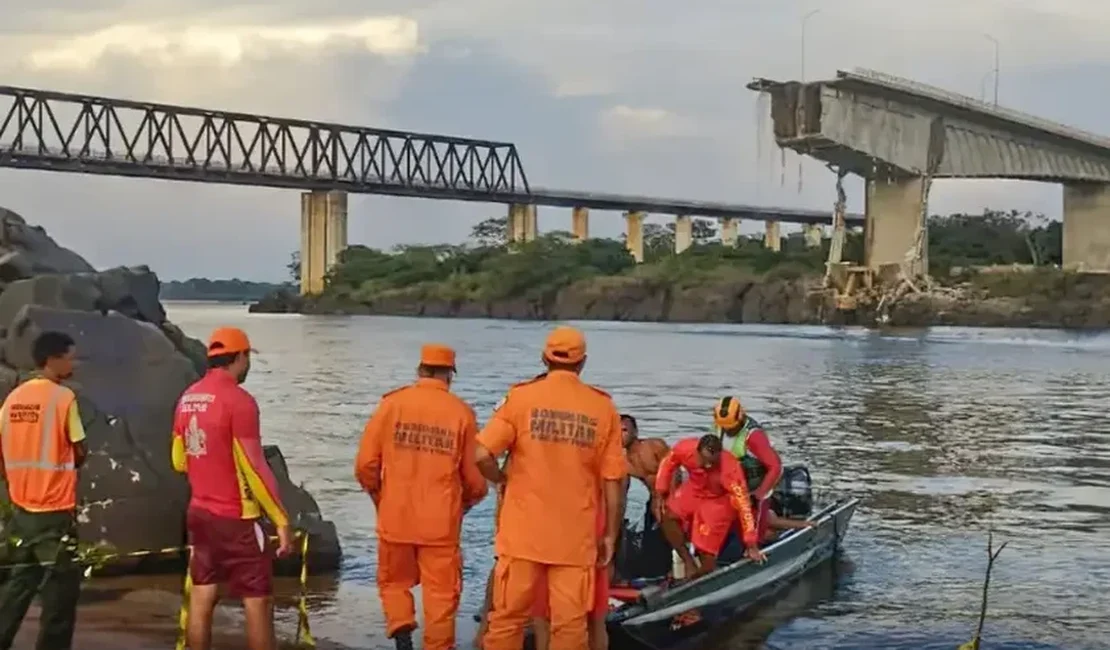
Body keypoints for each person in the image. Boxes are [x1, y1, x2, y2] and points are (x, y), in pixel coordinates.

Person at [475, 326, 627, 650]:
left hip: (522, 535)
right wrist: (611, 535)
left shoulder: (520, 398)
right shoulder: (603, 408)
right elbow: (613, 481)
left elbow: (481, 454)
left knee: (507, 620)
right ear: (582, 362)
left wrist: (501, 480)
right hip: (574, 539)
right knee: (570, 629)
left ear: (544, 358)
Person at [355, 344, 488, 650]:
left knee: (393, 582)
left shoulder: (391, 405)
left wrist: (379, 496)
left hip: (395, 515)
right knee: (441, 595)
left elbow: (365, 465)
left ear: (420, 370)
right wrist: (464, 505)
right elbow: (476, 480)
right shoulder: (462, 413)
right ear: (450, 375)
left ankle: (402, 632)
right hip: (440, 523)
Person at [171, 326, 294, 650]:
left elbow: (178, 460)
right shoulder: (239, 401)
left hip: (199, 513)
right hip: (237, 517)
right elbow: (255, 467)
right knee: (258, 601)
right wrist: (281, 521)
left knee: (202, 593)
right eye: (247, 358)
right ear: (240, 357)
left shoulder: (188, 397)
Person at [0, 331, 88, 650]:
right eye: (71, 356)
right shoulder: (63, 399)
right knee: (60, 594)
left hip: (22, 510)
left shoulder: (13, 400)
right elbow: (79, 449)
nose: (74, 362)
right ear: (53, 360)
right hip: (54, 510)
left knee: (18, 586)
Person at [653, 435, 764, 580]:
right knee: (667, 516)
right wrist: (660, 492)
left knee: (706, 551)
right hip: (695, 488)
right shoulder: (685, 448)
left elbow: (744, 505)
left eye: (712, 463)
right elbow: (668, 463)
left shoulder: (730, 469)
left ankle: (700, 576)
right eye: (704, 461)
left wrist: (751, 544)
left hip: (718, 499)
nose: (707, 466)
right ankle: (688, 561)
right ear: (697, 452)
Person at [530, 488, 610, 650]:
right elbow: (615, 490)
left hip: (544, 531)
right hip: (588, 530)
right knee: (594, 619)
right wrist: (611, 534)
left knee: (544, 619)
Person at [713, 396, 783, 531]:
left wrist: (758, 496)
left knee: (754, 531)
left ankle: (768, 526)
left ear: (741, 417)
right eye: (725, 428)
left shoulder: (754, 436)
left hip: (754, 487)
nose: (728, 431)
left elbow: (775, 467)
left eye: (731, 428)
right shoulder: (719, 427)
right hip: (730, 487)